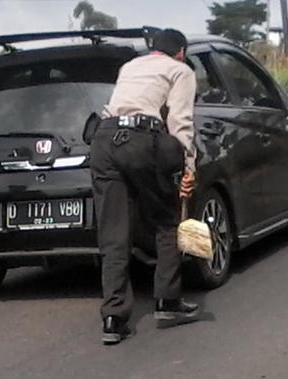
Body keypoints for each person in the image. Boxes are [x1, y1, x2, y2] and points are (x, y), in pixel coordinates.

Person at [89, 28, 199, 345]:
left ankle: (113, 318)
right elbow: (180, 123)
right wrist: (188, 168)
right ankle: (167, 301)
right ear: (180, 52)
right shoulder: (181, 70)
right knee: (165, 217)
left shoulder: (130, 67)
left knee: (113, 233)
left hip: (104, 140)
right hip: (139, 141)